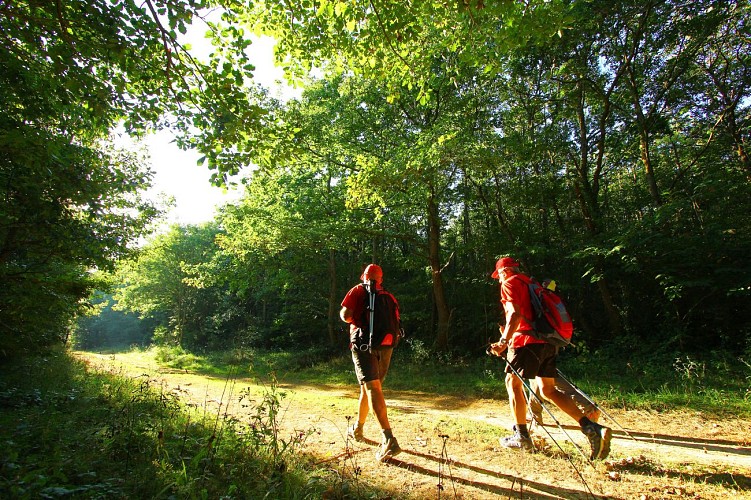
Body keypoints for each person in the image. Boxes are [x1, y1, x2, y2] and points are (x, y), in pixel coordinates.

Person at [487, 257, 611, 460]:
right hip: (548, 342)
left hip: (526, 343)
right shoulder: (532, 284)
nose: (498, 279)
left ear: (505, 271)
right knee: (548, 390)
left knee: (513, 384)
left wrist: (503, 341)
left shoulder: (510, 283)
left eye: (498, 275)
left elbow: (515, 315)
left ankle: (521, 436)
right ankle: (592, 429)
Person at [340, 263, 401, 462]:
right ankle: (358, 427)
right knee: (371, 387)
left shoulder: (357, 290)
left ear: (364, 276)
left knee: (372, 388)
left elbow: (345, 315)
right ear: (381, 278)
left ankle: (388, 438)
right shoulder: (389, 296)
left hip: (363, 345)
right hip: (386, 347)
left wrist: (357, 322)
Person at [526, 279, 600, 426]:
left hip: (539, 341)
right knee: (536, 378)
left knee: (548, 379)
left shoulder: (531, 296)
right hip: (553, 338)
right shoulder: (547, 295)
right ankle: (534, 415)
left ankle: (588, 407)